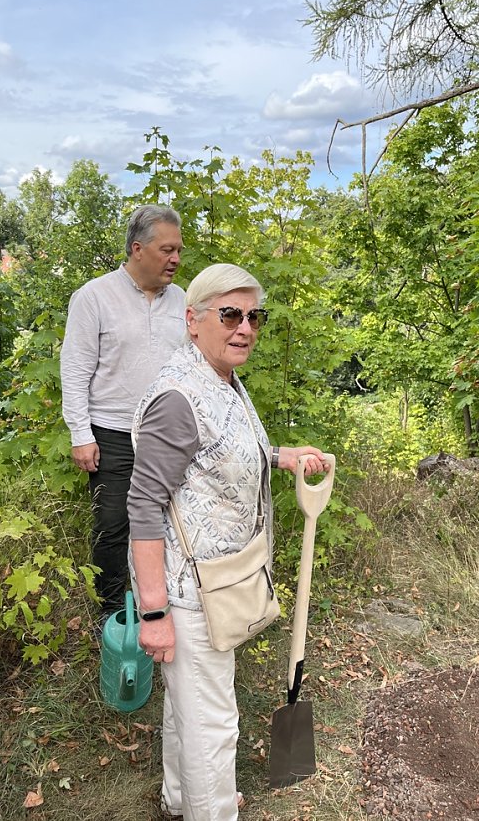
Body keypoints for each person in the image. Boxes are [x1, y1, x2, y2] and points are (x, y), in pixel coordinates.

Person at [127, 263, 330, 821]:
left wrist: (278, 456)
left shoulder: (222, 380)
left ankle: (181, 797)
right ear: (193, 320)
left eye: (254, 316)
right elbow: (143, 506)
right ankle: (212, 809)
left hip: (221, 581)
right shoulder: (179, 397)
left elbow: (216, 453)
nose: (245, 328)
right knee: (214, 721)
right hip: (188, 595)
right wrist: (154, 615)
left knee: (189, 707)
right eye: (230, 314)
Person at [60, 204, 185, 625]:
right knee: (113, 526)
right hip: (111, 433)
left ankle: (163, 605)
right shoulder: (94, 297)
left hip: (166, 435)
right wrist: (81, 433)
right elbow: (75, 369)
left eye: (179, 250)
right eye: (167, 249)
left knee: (169, 522)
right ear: (137, 249)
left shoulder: (184, 302)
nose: (176, 259)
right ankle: (112, 615)